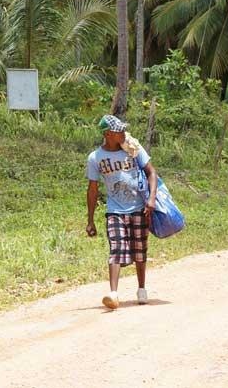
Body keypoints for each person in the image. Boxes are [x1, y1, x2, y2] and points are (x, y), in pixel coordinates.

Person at [86, 115, 157, 310]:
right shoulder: (95, 158)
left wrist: (151, 199)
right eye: (119, 131)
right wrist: (90, 220)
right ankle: (114, 293)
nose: (124, 133)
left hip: (139, 207)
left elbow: (152, 172)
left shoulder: (133, 148)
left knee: (140, 250)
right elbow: (92, 189)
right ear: (108, 134)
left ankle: (141, 289)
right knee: (116, 247)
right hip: (114, 210)